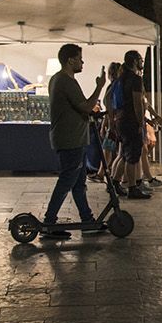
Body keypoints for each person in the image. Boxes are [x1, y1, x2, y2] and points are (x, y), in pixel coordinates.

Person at [42, 44, 108, 240]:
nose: (82, 62)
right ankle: (49, 222)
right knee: (67, 181)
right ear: (70, 60)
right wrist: (99, 86)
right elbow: (87, 106)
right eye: (80, 58)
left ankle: (87, 220)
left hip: (73, 138)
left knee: (78, 183)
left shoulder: (58, 79)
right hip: (70, 139)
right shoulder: (66, 81)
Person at [111, 51, 151, 199]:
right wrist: (141, 122)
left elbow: (110, 98)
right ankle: (133, 188)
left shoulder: (120, 78)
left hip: (120, 119)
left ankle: (115, 183)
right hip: (131, 120)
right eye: (140, 60)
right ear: (135, 61)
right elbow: (137, 102)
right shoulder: (135, 79)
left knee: (124, 154)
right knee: (133, 156)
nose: (142, 62)